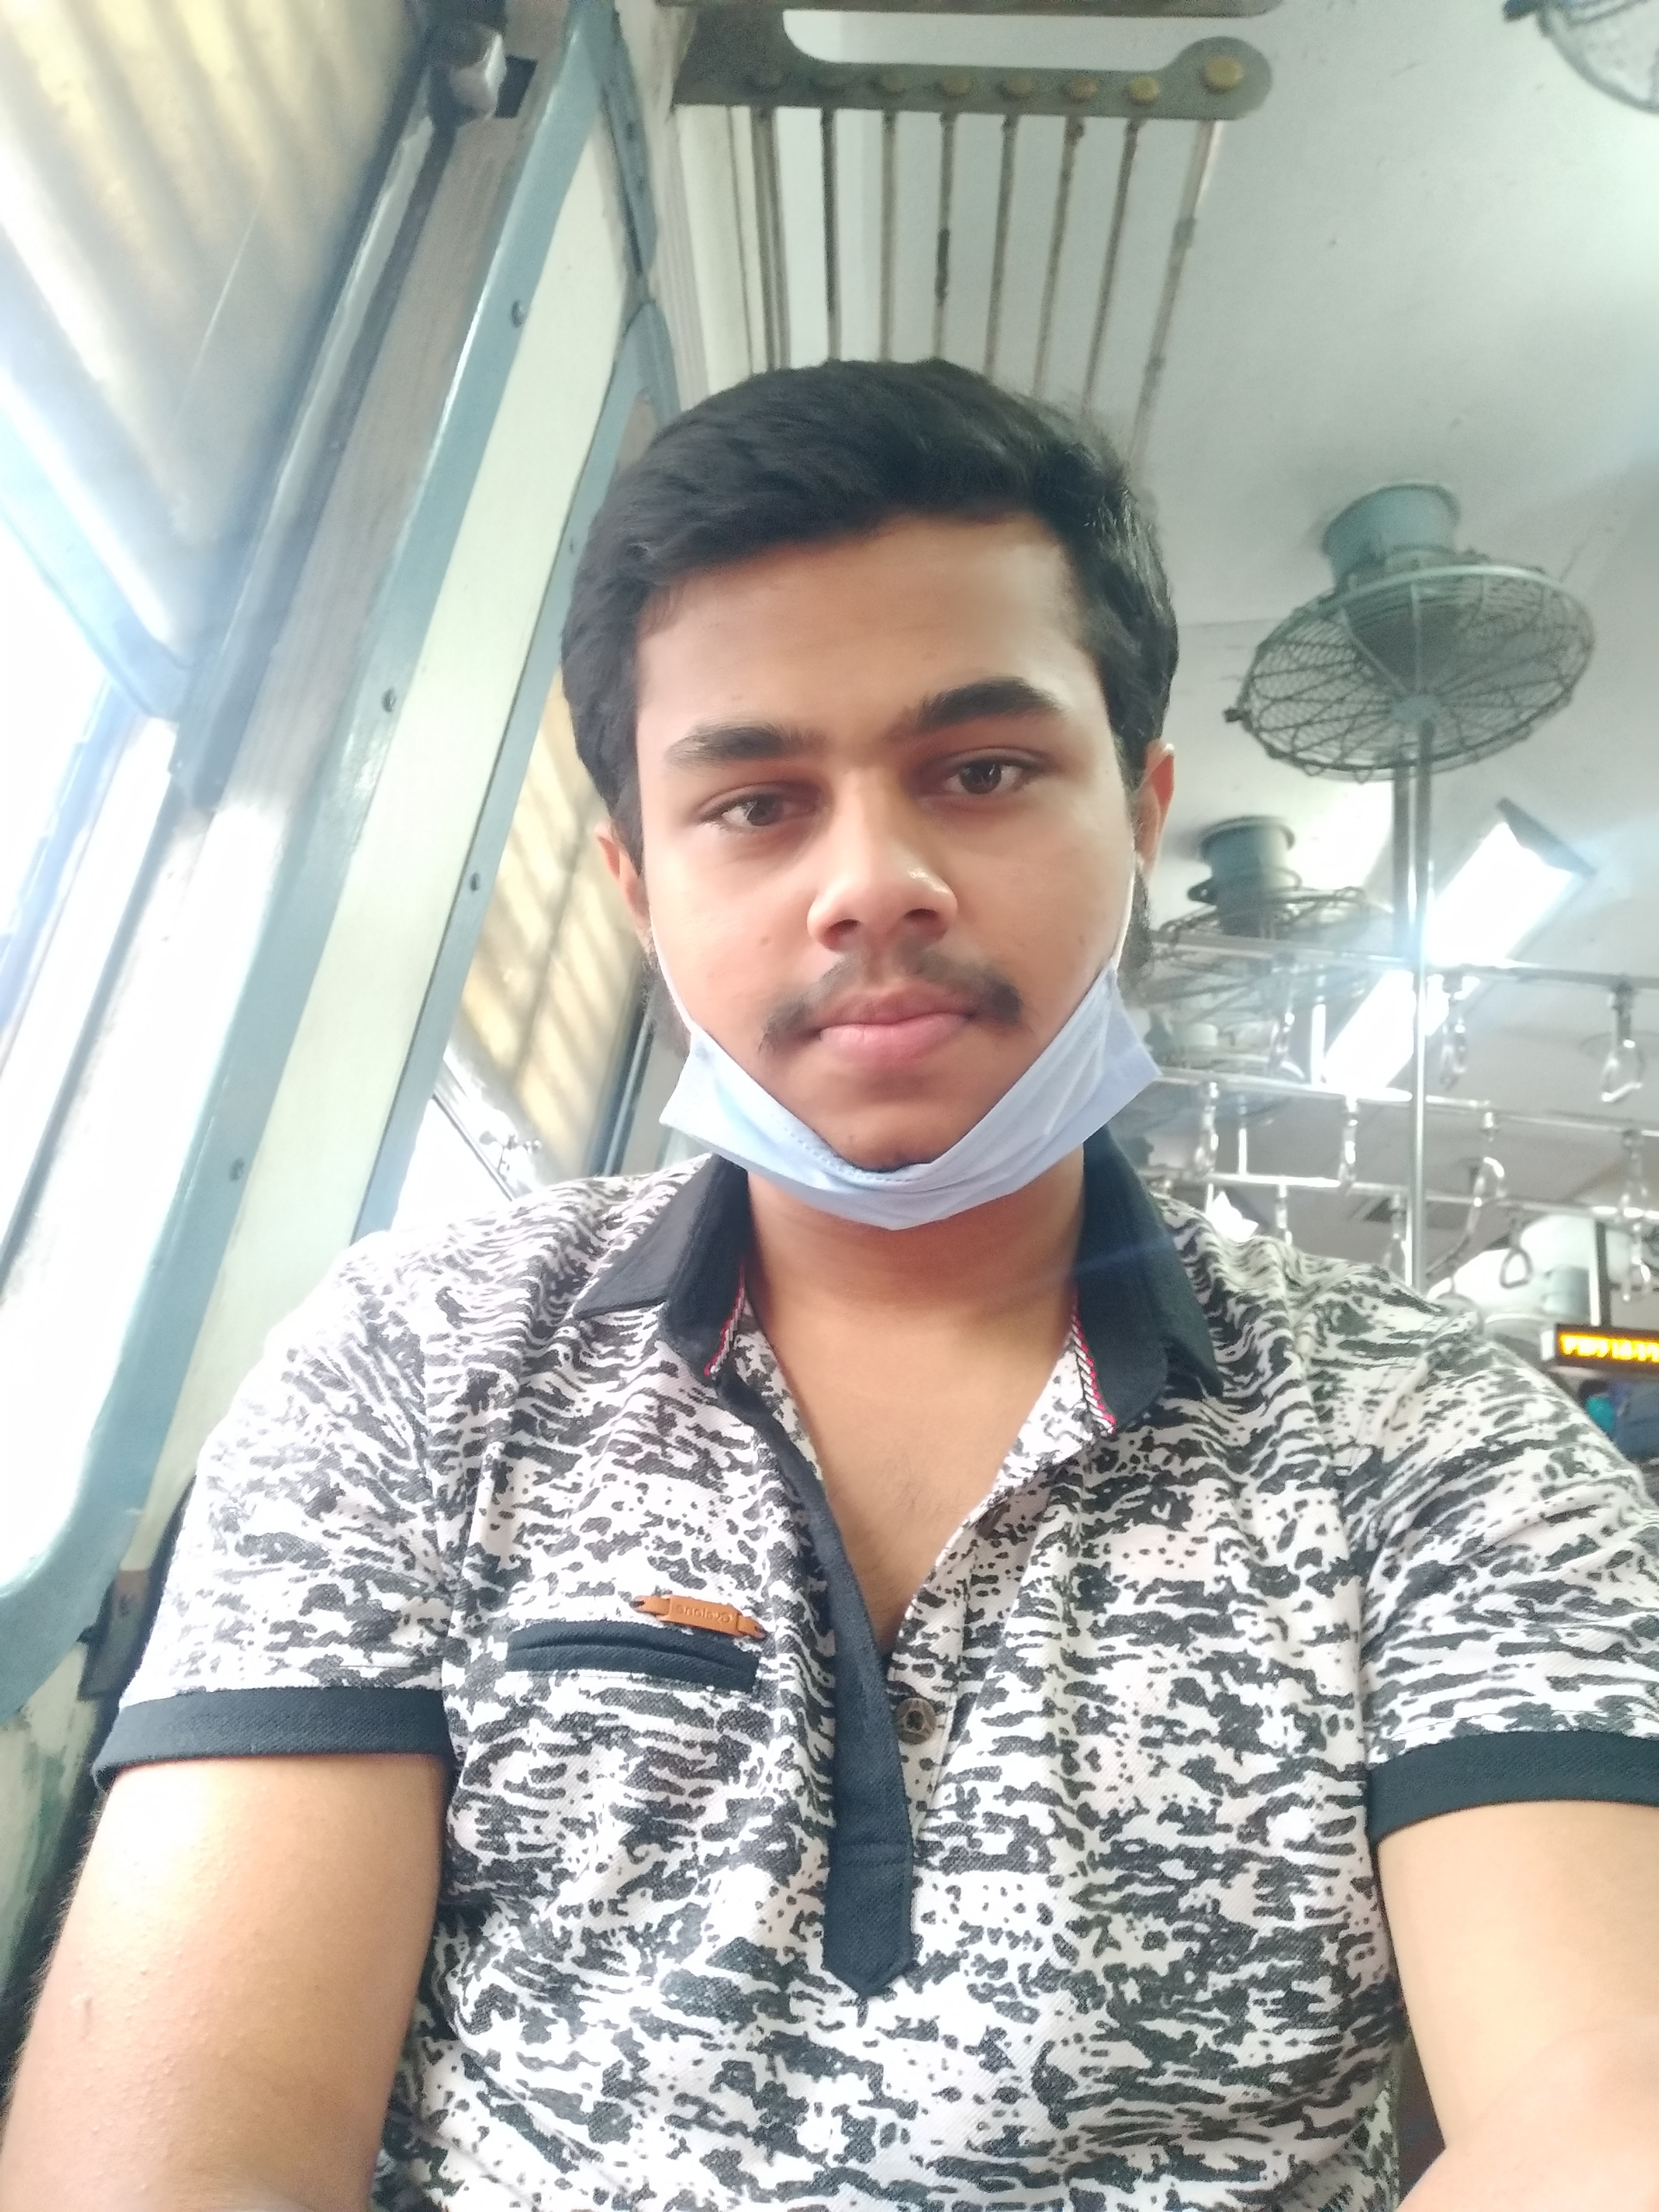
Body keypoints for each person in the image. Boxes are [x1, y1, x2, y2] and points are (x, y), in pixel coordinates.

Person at [4, 360, 1659, 2212]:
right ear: (637, 884)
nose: (874, 884)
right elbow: (177, 2146)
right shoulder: (412, 1364)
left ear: (1141, 812)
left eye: (983, 771)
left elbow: (1604, 2099)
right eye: (756, 803)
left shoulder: (1436, 1439)